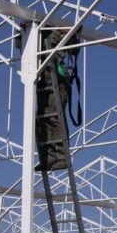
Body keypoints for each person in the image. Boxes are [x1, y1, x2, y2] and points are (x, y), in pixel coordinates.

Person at [35, 27, 81, 172]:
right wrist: (21, 31)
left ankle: (61, 157)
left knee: (55, 116)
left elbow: (74, 49)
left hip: (57, 80)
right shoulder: (37, 33)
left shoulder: (57, 31)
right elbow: (20, 44)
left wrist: (66, 32)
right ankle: (48, 158)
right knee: (41, 119)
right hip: (42, 82)